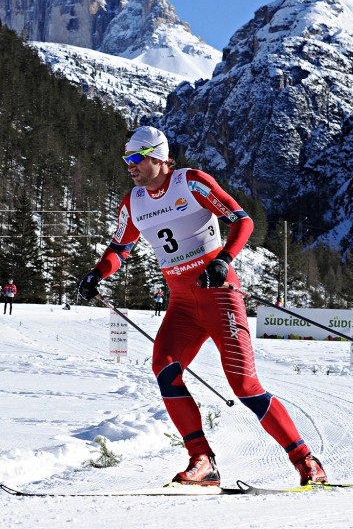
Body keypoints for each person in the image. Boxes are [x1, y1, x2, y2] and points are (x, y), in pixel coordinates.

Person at [78, 126, 327, 487]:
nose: (129, 166)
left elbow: (242, 220)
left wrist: (223, 259)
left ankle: (306, 461)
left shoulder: (191, 182)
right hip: (182, 302)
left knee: (245, 386)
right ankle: (202, 459)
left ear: (158, 158)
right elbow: (120, 249)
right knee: (164, 366)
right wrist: (97, 273)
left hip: (220, 295)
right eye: (126, 159)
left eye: (135, 158)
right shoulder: (133, 201)